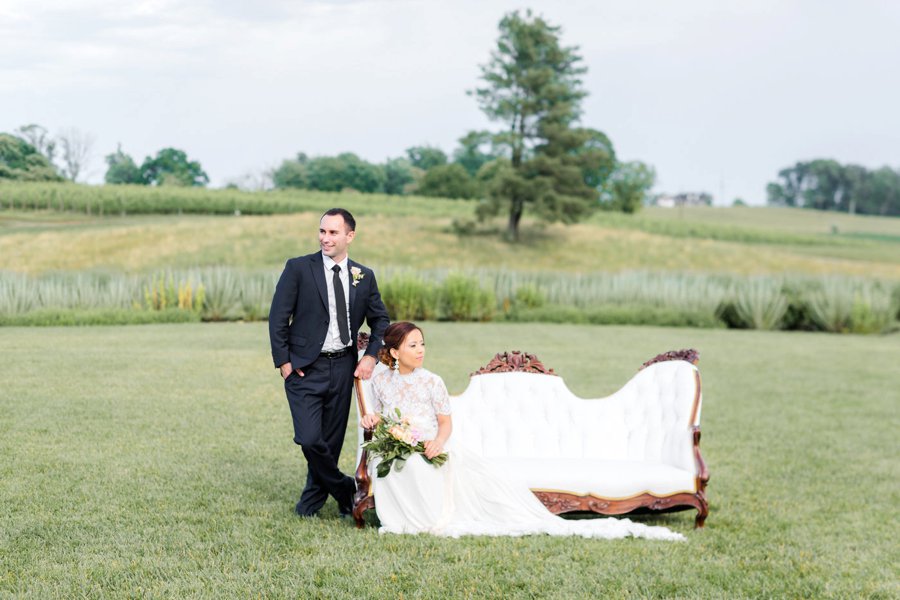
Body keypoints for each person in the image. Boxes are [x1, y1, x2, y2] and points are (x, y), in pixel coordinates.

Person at [360, 322, 685, 540]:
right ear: (393, 351)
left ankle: (427, 521)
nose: (421, 350)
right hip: (398, 441)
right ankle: (401, 521)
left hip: (433, 440)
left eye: (422, 344)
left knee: (424, 463)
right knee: (395, 463)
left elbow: (445, 423)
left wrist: (436, 443)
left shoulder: (432, 381)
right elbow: (374, 413)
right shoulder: (381, 380)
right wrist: (373, 422)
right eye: (413, 345)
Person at [269, 208, 389, 518]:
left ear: (350, 236)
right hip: (304, 368)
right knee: (310, 439)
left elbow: (380, 320)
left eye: (333, 232)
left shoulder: (364, 275)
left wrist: (371, 357)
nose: (325, 238)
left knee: (330, 442)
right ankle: (346, 489)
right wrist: (284, 362)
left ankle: (310, 503)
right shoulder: (298, 268)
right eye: (322, 231)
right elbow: (279, 317)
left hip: (344, 367)